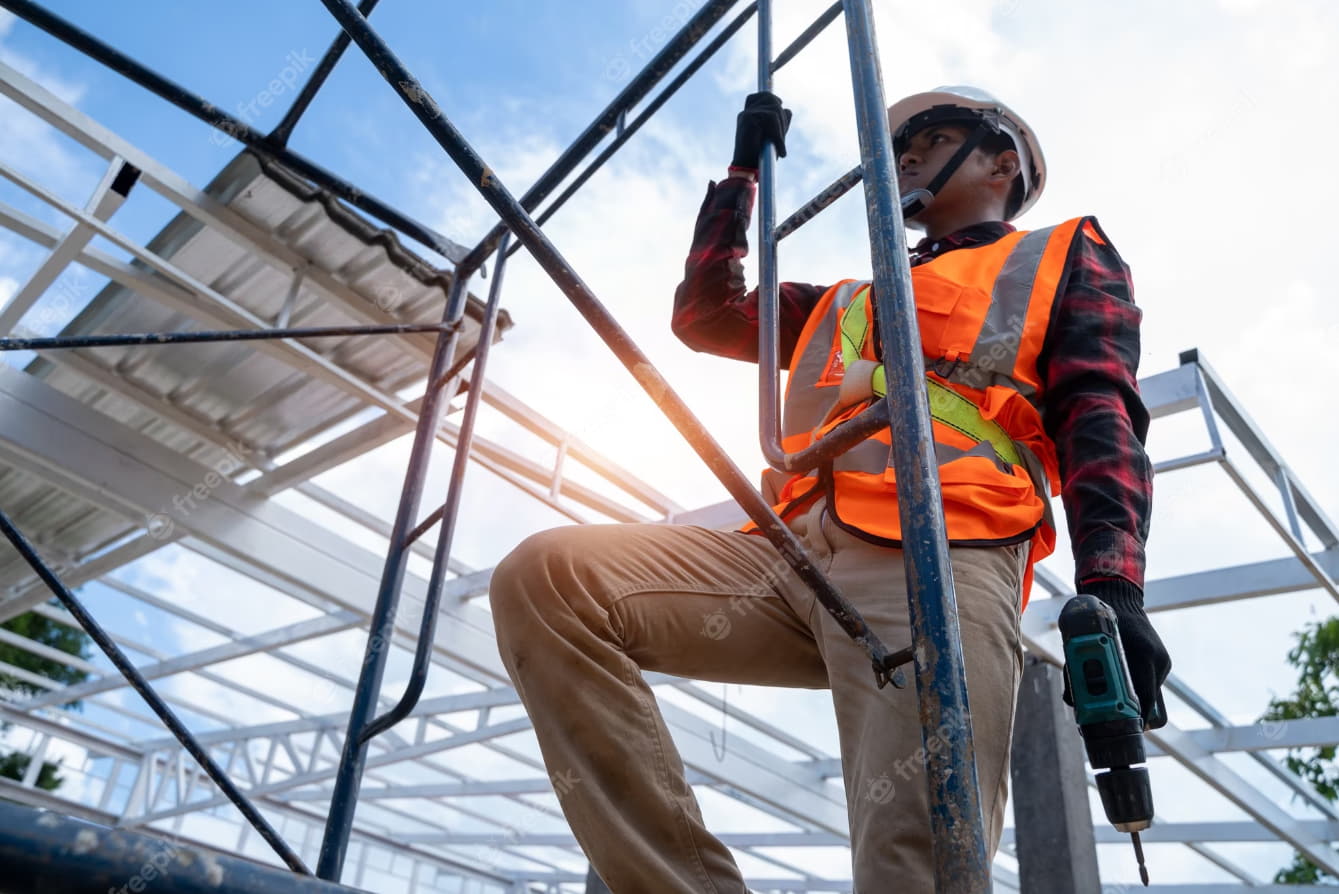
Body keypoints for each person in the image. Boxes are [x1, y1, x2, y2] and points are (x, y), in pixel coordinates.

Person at [489, 86, 1171, 893]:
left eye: (933, 137)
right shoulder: (848, 297)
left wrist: (1112, 585)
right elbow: (709, 315)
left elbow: (1099, 410)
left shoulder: (1059, 252)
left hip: (941, 550)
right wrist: (742, 174)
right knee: (552, 580)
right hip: (792, 558)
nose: (905, 156)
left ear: (1001, 162)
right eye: (898, 148)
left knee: (913, 865)